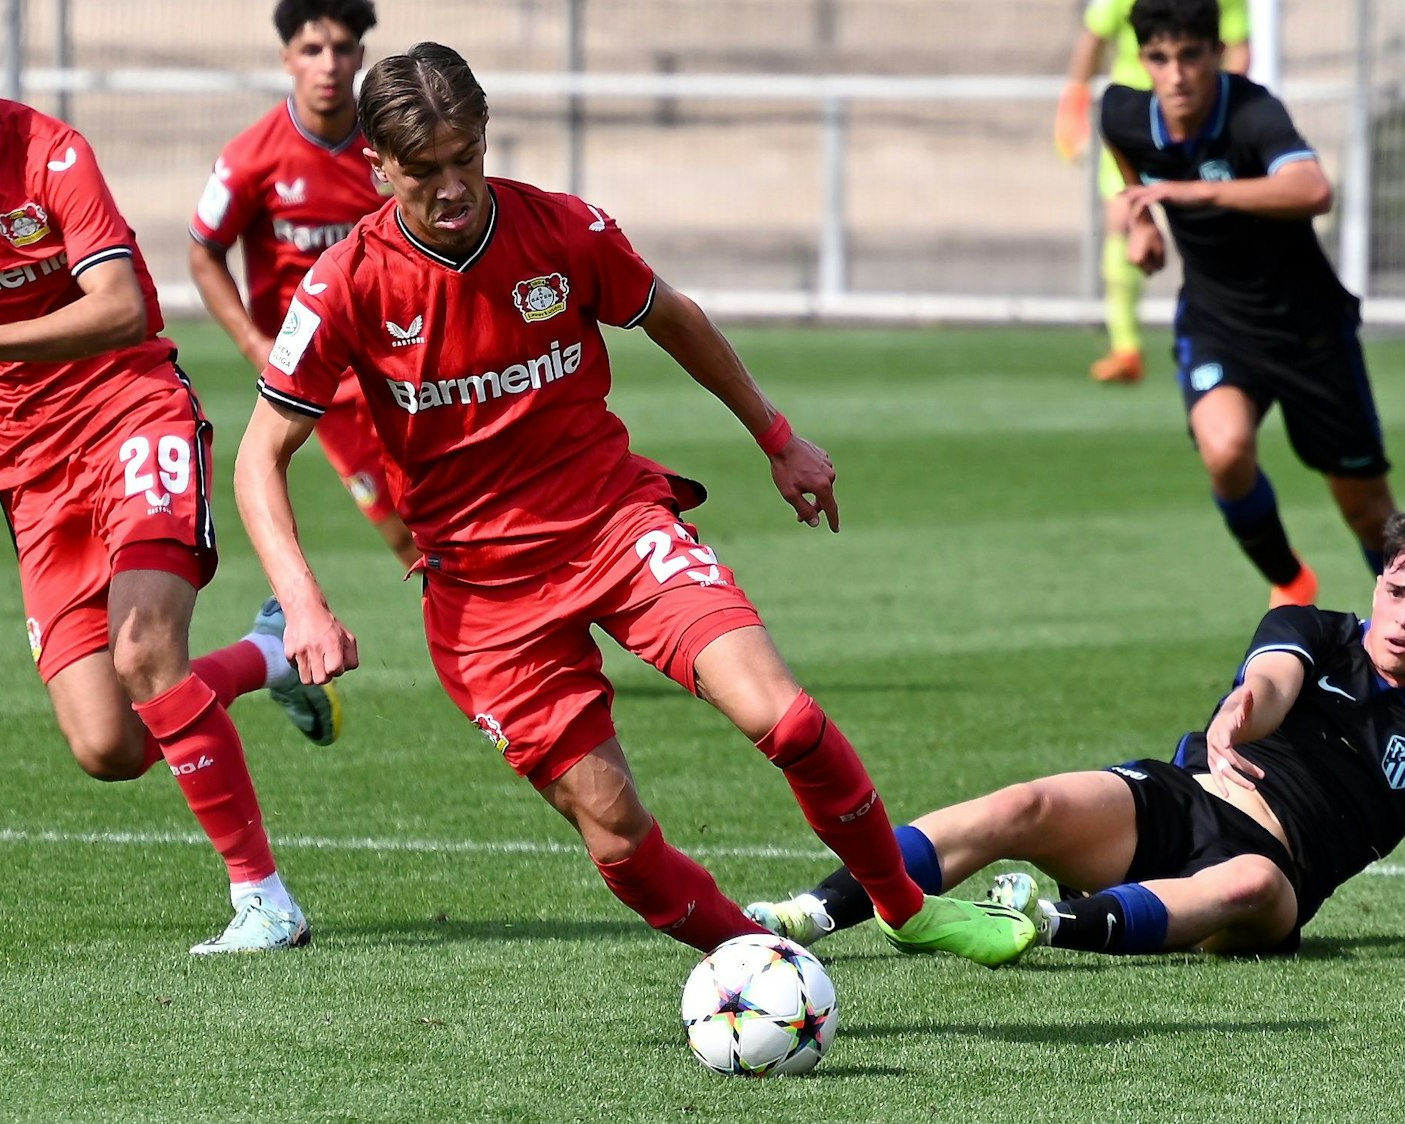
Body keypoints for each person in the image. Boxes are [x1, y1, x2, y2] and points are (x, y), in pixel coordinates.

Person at [233, 42, 1034, 966]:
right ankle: (770, 968)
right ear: (377, 166)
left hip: (616, 526)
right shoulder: (344, 286)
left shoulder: (564, 231)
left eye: (467, 159)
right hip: (485, 596)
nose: (453, 188)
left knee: (790, 720)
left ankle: (906, 907)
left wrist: (778, 439)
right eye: (424, 172)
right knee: (614, 831)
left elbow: (674, 317)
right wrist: (301, 600)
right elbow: (261, 456)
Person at [0, 6, 336, 955]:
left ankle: (265, 900)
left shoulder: (51, 156)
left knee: (145, 655)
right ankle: (265, 656)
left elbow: (124, 307)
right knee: (110, 746)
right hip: (27, 474)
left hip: (131, 417)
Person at [749, 512, 1405, 958]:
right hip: (1186, 800)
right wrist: (1240, 710)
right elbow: (1269, 684)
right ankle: (811, 915)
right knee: (1028, 802)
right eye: (1396, 590)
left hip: (1273, 879)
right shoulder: (1313, 630)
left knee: (1246, 879)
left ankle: (1039, 923)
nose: (1404, 616)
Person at [1099, 0, 1402, 622]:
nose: (1175, 73)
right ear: (1144, 60)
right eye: (1159, 58)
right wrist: (1141, 221)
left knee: (1366, 509)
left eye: (1189, 56)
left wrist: (1199, 190)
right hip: (1218, 325)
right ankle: (1291, 580)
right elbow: (1130, 167)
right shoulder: (1123, 113)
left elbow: (1313, 189)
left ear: (1216, 53)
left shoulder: (1252, 112)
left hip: (1309, 329)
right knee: (1225, 451)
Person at [189, 0, 417, 566]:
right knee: (401, 533)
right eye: (313, 51)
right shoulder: (252, 156)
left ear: (361, 56)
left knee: (452, 511)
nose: (329, 65)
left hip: (401, 361)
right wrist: (252, 342)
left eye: (342, 49)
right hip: (323, 380)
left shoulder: (387, 150)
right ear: (288, 58)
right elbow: (203, 252)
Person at [1054, 0, 1250, 384]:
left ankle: (1234, 330)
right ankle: (1126, 347)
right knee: (1121, 219)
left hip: (1198, 124)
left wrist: (1224, 106)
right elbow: (1093, 38)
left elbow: (1238, 47)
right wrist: (1072, 103)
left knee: (1217, 225)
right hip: (1134, 124)